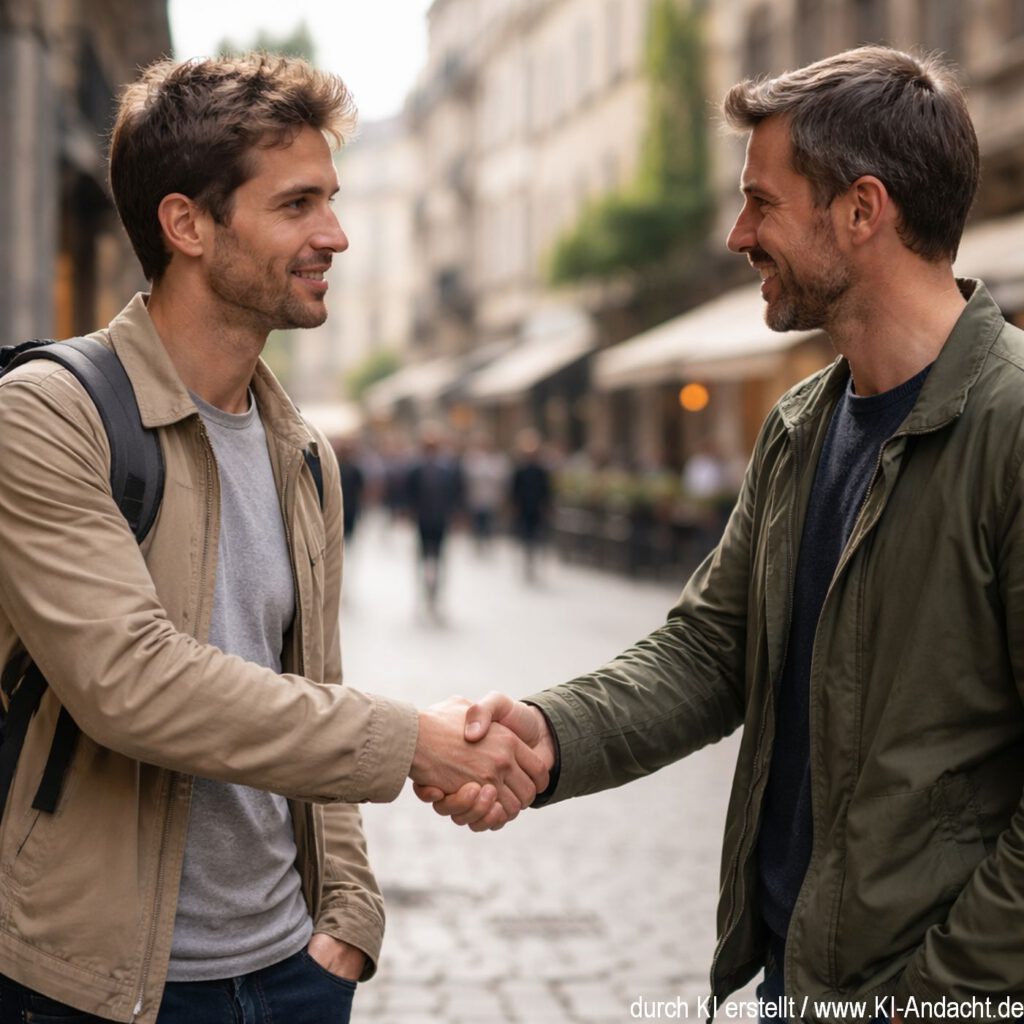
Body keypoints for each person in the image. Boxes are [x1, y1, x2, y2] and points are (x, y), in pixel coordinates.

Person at [420, 47, 1024, 1017]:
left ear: (861, 211)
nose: (736, 232)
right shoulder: (801, 428)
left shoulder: (1009, 425)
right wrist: (545, 735)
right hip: (793, 975)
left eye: (762, 201)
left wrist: (935, 995)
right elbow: (709, 650)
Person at [0, 54, 547, 1024]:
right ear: (188, 224)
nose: (334, 235)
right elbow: (130, 681)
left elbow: (312, 682)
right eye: (297, 205)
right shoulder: (46, 415)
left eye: (332, 200)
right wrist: (411, 742)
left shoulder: (303, 451)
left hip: (292, 973)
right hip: (85, 980)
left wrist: (346, 915)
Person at [403, 423, 464, 613]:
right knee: (422, 556)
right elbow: (409, 493)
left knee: (439, 556)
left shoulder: (448, 470)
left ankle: (436, 590)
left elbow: (455, 493)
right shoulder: (416, 470)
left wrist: (456, 514)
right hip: (423, 519)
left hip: (440, 519)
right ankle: (424, 588)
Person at [509, 428, 552, 581]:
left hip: (536, 508)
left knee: (536, 535)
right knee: (525, 535)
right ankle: (528, 557)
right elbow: (514, 489)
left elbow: (546, 489)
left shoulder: (541, 470)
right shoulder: (520, 469)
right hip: (524, 507)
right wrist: (514, 505)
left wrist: (546, 505)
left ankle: (533, 558)